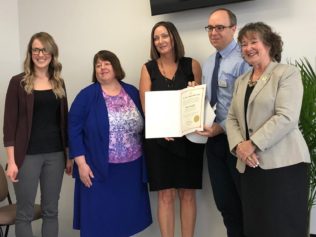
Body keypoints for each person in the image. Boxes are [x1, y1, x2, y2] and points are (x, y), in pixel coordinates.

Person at [226, 22, 310, 237]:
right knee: (256, 227)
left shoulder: (287, 73)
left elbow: (287, 116)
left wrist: (252, 144)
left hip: (283, 164)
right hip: (249, 165)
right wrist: (239, 146)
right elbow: (232, 117)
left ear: (269, 44)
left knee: (283, 227)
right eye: (243, 44)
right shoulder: (241, 81)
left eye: (254, 41)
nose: (248, 48)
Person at [68, 50, 152, 237]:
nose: (102, 68)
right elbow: (73, 130)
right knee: (99, 223)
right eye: (98, 65)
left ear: (115, 66)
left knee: (126, 221)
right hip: (98, 170)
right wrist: (81, 164)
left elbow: (150, 117)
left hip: (131, 170)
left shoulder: (132, 91)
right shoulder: (86, 96)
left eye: (106, 63)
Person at [3, 32, 72, 237]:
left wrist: (68, 156)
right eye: (36, 49)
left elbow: (64, 122)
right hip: (26, 157)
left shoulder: (59, 83)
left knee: (51, 211)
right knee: (24, 213)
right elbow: (9, 125)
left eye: (44, 49)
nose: (40, 54)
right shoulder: (18, 82)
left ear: (52, 53)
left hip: (56, 156)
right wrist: (12, 161)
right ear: (30, 53)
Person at [139, 21, 204, 237]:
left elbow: (198, 103)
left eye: (164, 36)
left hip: (188, 139)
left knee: (187, 195)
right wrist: (160, 127)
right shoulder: (147, 69)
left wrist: (195, 91)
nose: (160, 41)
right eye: (156, 38)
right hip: (159, 141)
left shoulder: (192, 65)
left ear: (173, 37)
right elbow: (146, 107)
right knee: (165, 196)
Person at [196, 8, 250, 237]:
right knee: (226, 205)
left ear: (234, 29)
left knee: (246, 205)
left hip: (239, 143)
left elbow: (249, 107)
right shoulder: (208, 63)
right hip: (215, 144)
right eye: (210, 27)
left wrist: (223, 127)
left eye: (220, 27)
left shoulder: (245, 60)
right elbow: (209, 102)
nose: (213, 32)